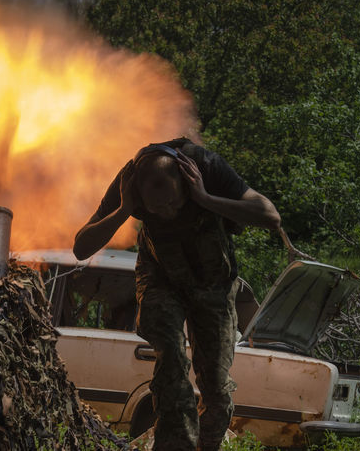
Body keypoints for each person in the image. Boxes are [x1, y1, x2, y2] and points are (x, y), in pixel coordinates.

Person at [73, 137, 280, 451]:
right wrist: (125, 210)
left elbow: (269, 215)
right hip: (161, 278)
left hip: (213, 283)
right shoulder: (128, 183)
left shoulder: (206, 167)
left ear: (185, 181)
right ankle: (176, 445)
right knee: (170, 360)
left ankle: (208, 445)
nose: (167, 212)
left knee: (216, 387)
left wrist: (205, 198)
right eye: (156, 208)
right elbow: (81, 247)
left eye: (174, 203)